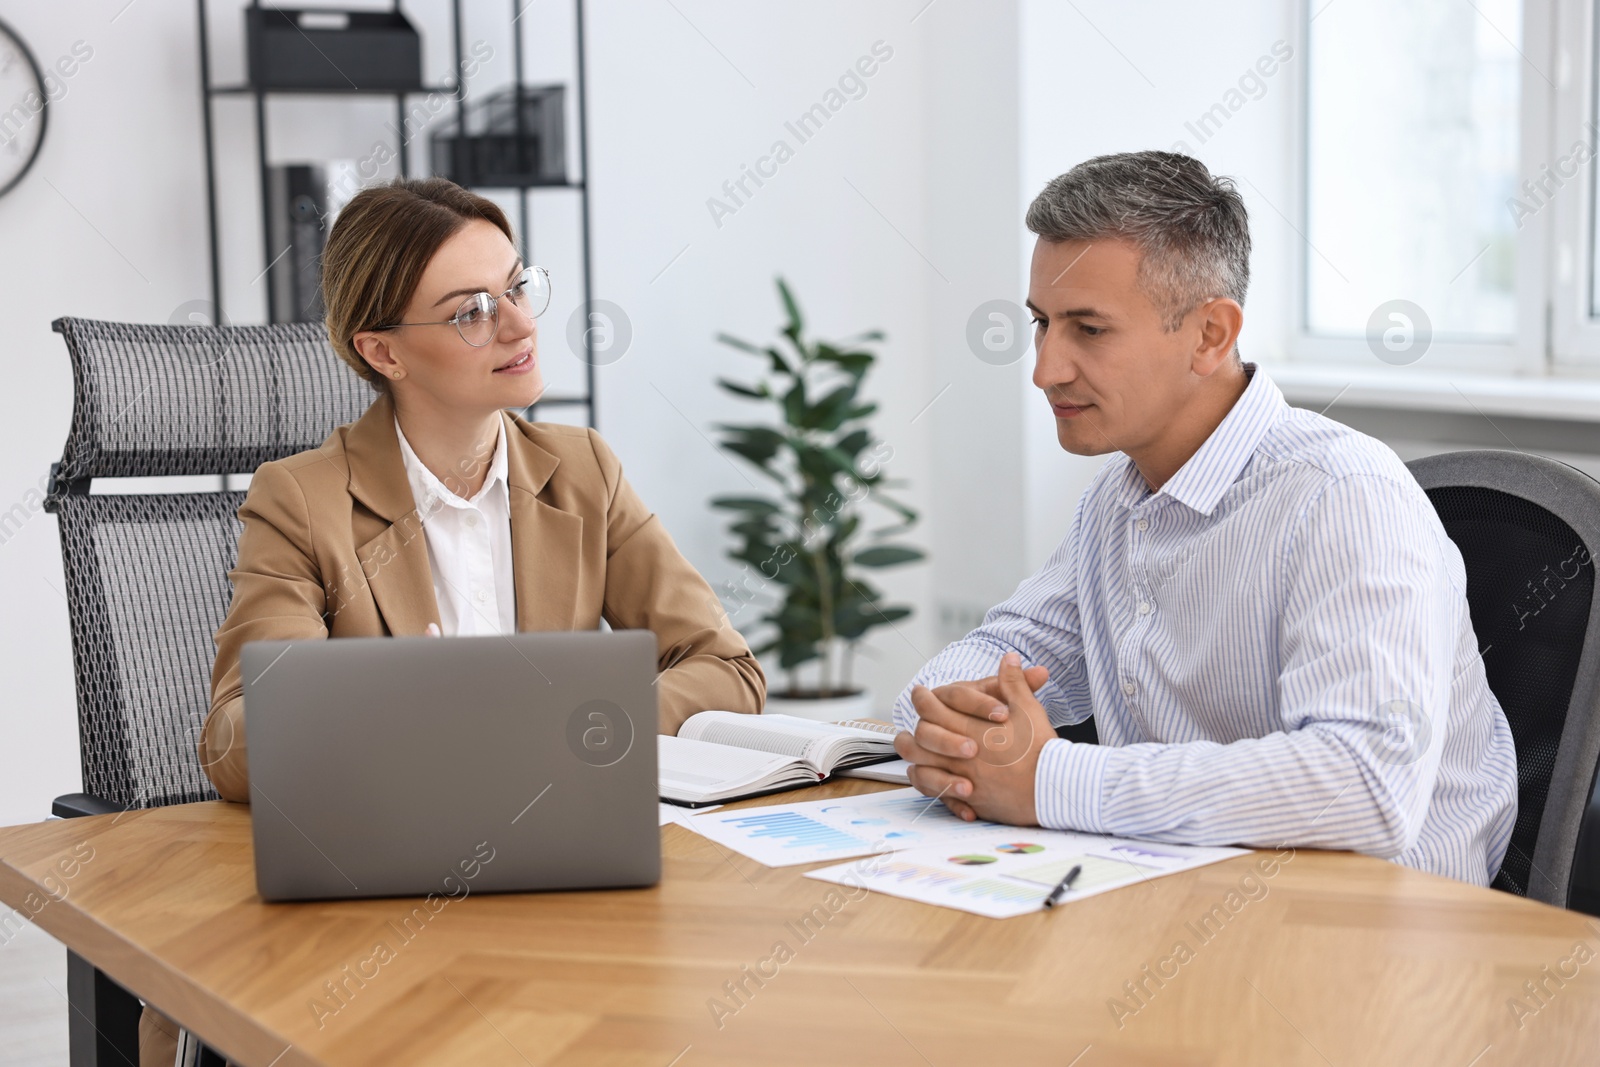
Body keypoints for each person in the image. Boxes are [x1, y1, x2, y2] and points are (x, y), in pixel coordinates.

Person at [891, 151, 1517, 887]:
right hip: (1177, 909)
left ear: (1211, 335)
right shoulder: (1118, 499)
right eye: (1041, 323)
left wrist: (1049, 780)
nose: (1045, 368)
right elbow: (1003, 650)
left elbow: (1365, 783)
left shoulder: (1345, 495)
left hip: (1369, 949)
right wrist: (949, 723)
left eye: (1088, 329)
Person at [195, 177, 765, 802]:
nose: (521, 326)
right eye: (472, 312)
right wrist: (398, 711)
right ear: (384, 352)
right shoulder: (301, 501)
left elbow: (727, 671)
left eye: (517, 288)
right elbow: (232, 744)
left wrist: (571, 722)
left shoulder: (582, 471)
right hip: (400, 858)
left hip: (564, 835)